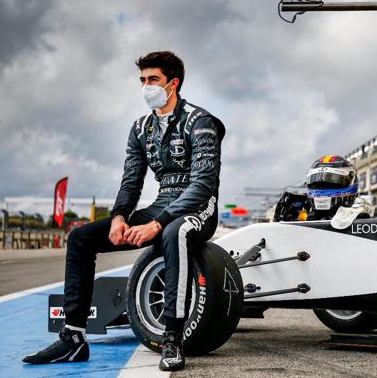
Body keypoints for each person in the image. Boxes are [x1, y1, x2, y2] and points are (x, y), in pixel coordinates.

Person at [22, 51, 225, 372]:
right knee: (80, 238)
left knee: (176, 231)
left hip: (198, 207)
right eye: (142, 80)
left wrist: (157, 224)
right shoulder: (140, 128)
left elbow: (203, 184)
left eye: (153, 80)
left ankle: (172, 337)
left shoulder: (200, 121)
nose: (146, 86)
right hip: (160, 204)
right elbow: (131, 181)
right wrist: (119, 217)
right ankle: (73, 337)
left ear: (173, 83)